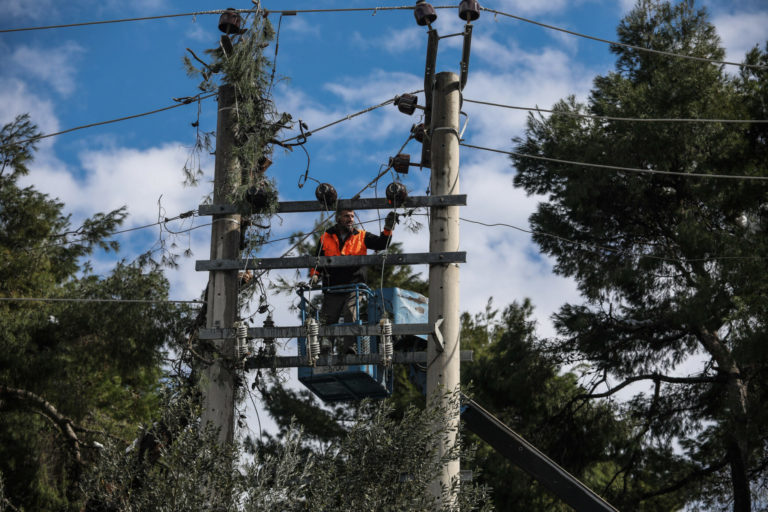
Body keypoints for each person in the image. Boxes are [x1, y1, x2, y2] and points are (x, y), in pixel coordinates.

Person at [309, 209, 397, 354]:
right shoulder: (326, 237)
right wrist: (315, 275)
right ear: (338, 219)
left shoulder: (361, 236)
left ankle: (351, 347)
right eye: (346, 216)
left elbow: (382, 244)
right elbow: (317, 260)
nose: (350, 219)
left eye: (352, 216)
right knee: (328, 318)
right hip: (333, 287)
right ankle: (326, 347)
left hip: (354, 286)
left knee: (351, 313)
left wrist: (388, 228)